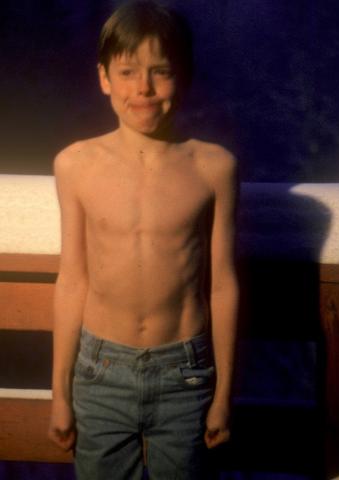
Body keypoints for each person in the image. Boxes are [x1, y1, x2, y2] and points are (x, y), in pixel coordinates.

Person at [47, 1, 239, 478]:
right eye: (128, 72)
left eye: (160, 72)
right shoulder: (75, 165)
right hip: (100, 370)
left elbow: (222, 286)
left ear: (184, 76)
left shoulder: (213, 167)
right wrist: (59, 393)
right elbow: (72, 280)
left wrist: (223, 396)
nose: (144, 89)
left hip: (186, 371)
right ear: (104, 78)